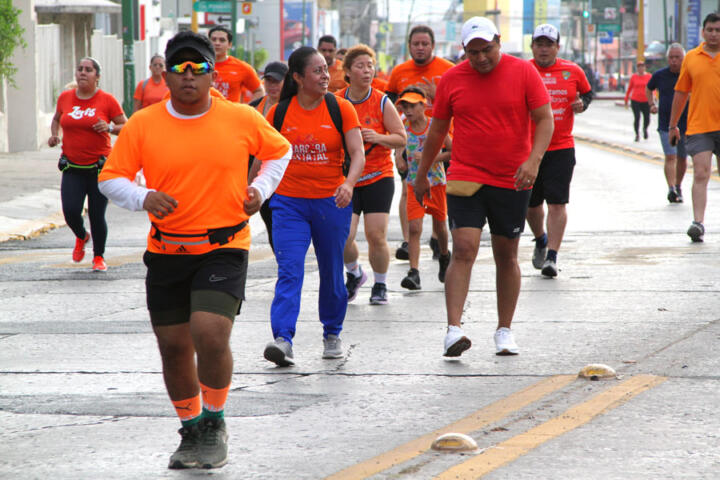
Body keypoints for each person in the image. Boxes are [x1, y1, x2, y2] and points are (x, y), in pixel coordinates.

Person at [97, 31, 292, 469]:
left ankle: (216, 420)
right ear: (165, 75)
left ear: (213, 75)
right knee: (174, 347)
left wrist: (260, 188)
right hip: (167, 250)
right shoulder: (144, 123)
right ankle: (191, 429)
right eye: (179, 68)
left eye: (198, 68)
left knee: (209, 332)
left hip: (224, 245)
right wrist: (142, 197)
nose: (189, 77)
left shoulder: (241, 117)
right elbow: (111, 178)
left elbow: (280, 151)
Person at [413, 17, 553, 357]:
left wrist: (533, 161)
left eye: (486, 49)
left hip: (512, 177)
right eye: (473, 52)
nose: (481, 58)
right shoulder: (452, 79)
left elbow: (544, 119)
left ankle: (504, 330)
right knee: (463, 248)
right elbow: (436, 131)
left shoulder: (523, 72)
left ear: (499, 42)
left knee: (507, 254)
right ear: (464, 51)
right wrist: (421, 174)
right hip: (466, 174)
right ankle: (453, 330)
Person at [263, 46, 365, 366]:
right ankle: (283, 339)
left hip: (331, 202)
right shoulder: (278, 113)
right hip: (288, 203)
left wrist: (348, 184)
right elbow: (262, 157)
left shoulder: (341, 108)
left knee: (332, 270)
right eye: (317, 71)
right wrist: (251, 191)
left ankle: (332, 333)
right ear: (297, 77)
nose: (325, 76)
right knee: (290, 270)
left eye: (326, 70)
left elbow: (358, 153)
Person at [337, 44, 406, 305]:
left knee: (376, 235)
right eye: (360, 66)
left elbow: (401, 138)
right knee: (343, 236)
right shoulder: (338, 101)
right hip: (347, 179)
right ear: (347, 71)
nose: (367, 71)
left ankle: (380, 284)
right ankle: (354, 273)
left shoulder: (382, 100)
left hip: (379, 175)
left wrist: (378, 137)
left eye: (370, 65)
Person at [47, 57, 127, 272]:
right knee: (71, 212)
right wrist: (54, 135)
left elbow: (125, 126)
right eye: (80, 69)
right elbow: (56, 118)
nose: (83, 72)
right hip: (72, 167)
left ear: (97, 76)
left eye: (88, 70)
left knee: (96, 214)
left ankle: (99, 256)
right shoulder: (65, 98)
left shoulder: (107, 100)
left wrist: (109, 127)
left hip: (99, 168)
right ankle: (82, 236)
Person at [526, 24, 593, 278]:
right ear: (532, 47)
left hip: (560, 147)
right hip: (528, 149)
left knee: (557, 203)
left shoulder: (572, 70)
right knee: (530, 206)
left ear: (557, 47)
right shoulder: (524, 70)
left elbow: (587, 94)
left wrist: (581, 104)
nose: (544, 49)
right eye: (539, 44)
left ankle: (552, 256)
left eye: (549, 44)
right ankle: (541, 239)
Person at [386, 25, 455, 261]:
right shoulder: (399, 72)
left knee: (438, 196)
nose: (420, 47)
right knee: (408, 191)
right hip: (409, 141)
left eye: (425, 43)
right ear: (409, 46)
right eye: (416, 44)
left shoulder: (448, 70)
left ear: (433, 46)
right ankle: (409, 240)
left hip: (440, 142)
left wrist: (437, 96)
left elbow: (462, 104)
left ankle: (438, 238)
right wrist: (397, 148)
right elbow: (390, 108)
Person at [670, 12, 720, 242]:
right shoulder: (691, 57)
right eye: (710, 29)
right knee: (701, 172)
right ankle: (697, 222)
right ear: (703, 32)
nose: (714, 34)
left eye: (718, 30)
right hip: (700, 125)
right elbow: (681, 93)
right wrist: (672, 125)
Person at [395, 87, 451, 290]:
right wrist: (399, 159)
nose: (408, 110)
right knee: (415, 227)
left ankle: (444, 256)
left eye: (412, 105)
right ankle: (414, 272)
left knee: (440, 227)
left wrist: (432, 157)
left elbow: (452, 151)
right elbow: (399, 148)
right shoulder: (403, 127)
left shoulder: (434, 126)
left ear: (423, 105)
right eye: (405, 106)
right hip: (413, 184)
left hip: (436, 183)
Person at [248, 60, 289, 251]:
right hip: (258, 175)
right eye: (268, 81)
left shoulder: (292, 107)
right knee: (270, 222)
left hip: (285, 173)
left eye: (277, 81)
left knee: (282, 224)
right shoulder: (252, 108)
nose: (272, 86)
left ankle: (287, 263)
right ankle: (283, 261)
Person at [646, 43, 689, 204]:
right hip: (666, 124)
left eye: (678, 57)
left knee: (683, 158)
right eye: (671, 57)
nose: (674, 61)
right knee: (670, 156)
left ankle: (678, 186)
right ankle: (671, 189)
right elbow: (649, 88)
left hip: (686, 124)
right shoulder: (659, 75)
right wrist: (652, 104)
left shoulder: (688, 74)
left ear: (683, 59)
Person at [208, 25, 264, 103]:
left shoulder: (242, 67)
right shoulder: (199, 65)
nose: (217, 43)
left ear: (229, 45)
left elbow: (259, 91)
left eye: (222, 40)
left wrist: (246, 110)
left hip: (230, 113)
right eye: (214, 39)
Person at [624, 61, 652, 142]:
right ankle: (637, 134)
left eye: (642, 67)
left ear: (644, 68)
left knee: (647, 117)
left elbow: (652, 88)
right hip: (635, 100)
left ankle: (645, 129)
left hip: (646, 100)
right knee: (637, 117)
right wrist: (626, 99)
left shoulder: (649, 76)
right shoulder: (634, 77)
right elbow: (630, 88)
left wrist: (653, 97)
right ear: (637, 68)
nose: (641, 69)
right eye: (639, 67)